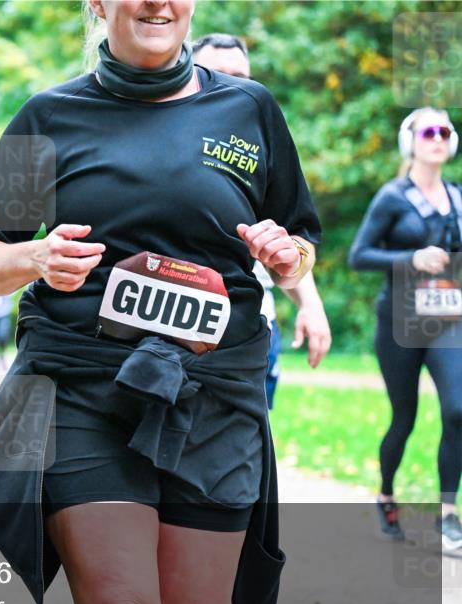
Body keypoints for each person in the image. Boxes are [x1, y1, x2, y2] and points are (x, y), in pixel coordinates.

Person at [0, 1, 320, 604]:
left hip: (213, 400)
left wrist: (288, 255)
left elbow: (299, 240)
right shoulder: (47, 116)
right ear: (97, 4)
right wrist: (34, 258)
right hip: (85, 391)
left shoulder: (251, 109)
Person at [193, 32, 333, 408]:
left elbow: (292, 238)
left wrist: (312, 306)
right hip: (175, 333)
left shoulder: (260, 143)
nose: (232, 85)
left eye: (242, 76)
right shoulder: (173, 139)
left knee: (248, 449)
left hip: (252, 328)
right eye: (216, 73)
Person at [349, 107, 462, 550]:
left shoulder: (457, 196)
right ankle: (386, 493)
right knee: (405, 417)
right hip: (398, 322)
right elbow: (359, 255)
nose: (438, 137)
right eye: (428, 131)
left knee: (457, 410)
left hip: (448, 321)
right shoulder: (392, 197)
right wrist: (409, 259)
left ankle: (448, 513)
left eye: (445, 131)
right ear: (410, 141)